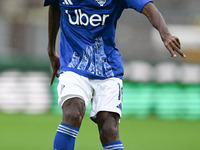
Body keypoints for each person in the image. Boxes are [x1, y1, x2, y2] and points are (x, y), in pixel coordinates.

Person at [44, 0, 186, 149]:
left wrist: (165, 34)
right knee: (73, 112)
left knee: (108, 129)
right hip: (74, 64)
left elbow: (148, 7)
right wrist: (51, 50)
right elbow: (54, 6)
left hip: (108, 68)